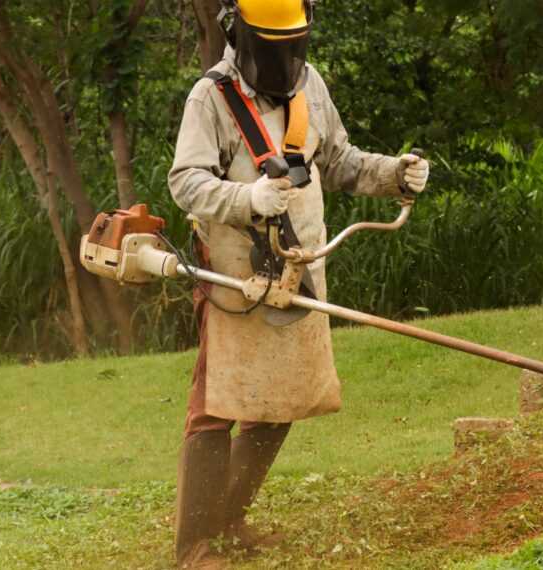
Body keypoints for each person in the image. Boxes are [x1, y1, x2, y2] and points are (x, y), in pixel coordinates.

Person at [166, 0, 429, 567]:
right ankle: (194, 546)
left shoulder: (312, 87)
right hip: (232, 274)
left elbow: (338, 162)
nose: (286, 59)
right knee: (216, 404)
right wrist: (245, 199)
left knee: (282, 398)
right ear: (240, 35)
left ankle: (229, 521)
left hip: (299, 268)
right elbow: (185, 181)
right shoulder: (210, 97)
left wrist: (395, 173)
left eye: (294, 45)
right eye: (273, 46)